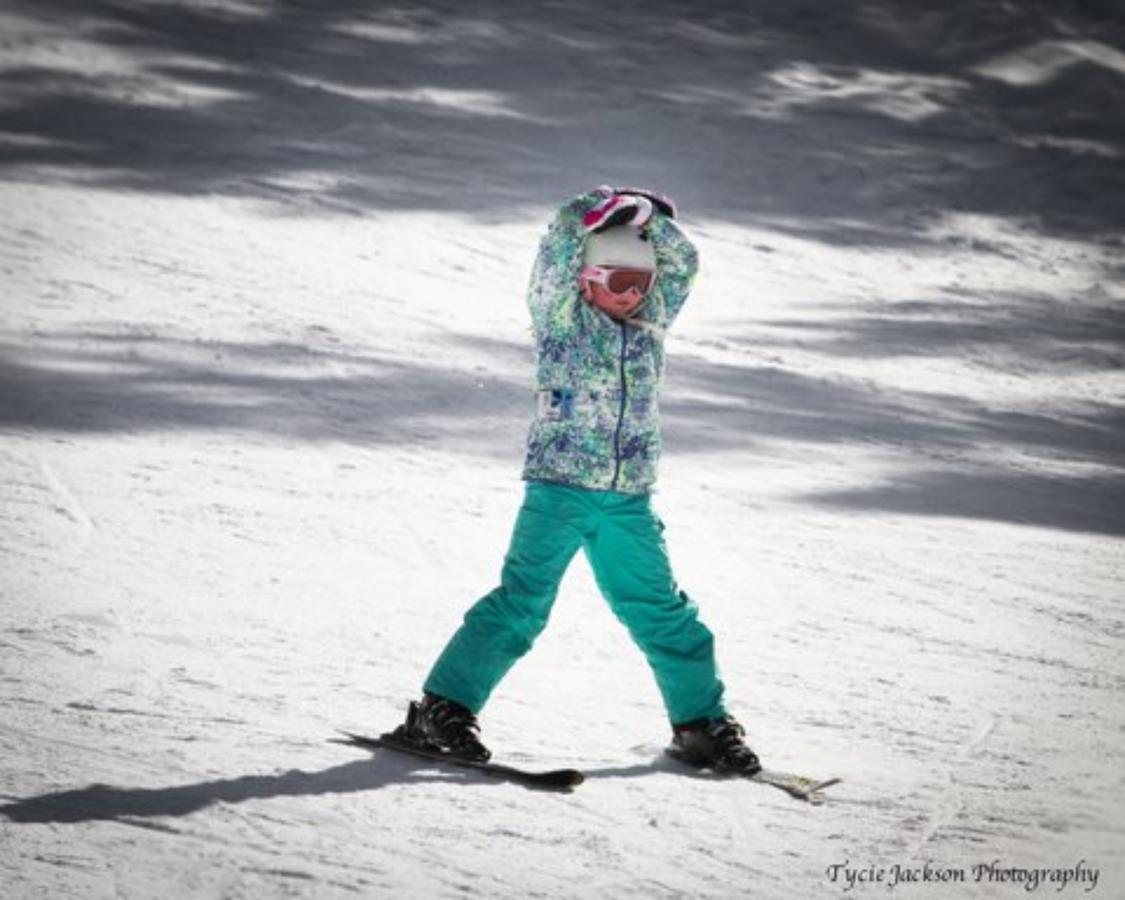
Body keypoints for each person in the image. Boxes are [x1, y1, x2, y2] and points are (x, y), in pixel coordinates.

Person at [397, 186, 760, 774]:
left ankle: (700, 724)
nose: (632, 296)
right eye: (617, 282)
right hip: (558, 490)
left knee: (663, 612)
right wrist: (590, 210)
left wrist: (652, 220)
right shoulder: (561, 323)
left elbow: (684, 264)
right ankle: (443, 709)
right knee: (523, 603)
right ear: (587, 277)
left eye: (640, 284)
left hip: (627, 500)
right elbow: (553, 257)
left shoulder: (649, 329)